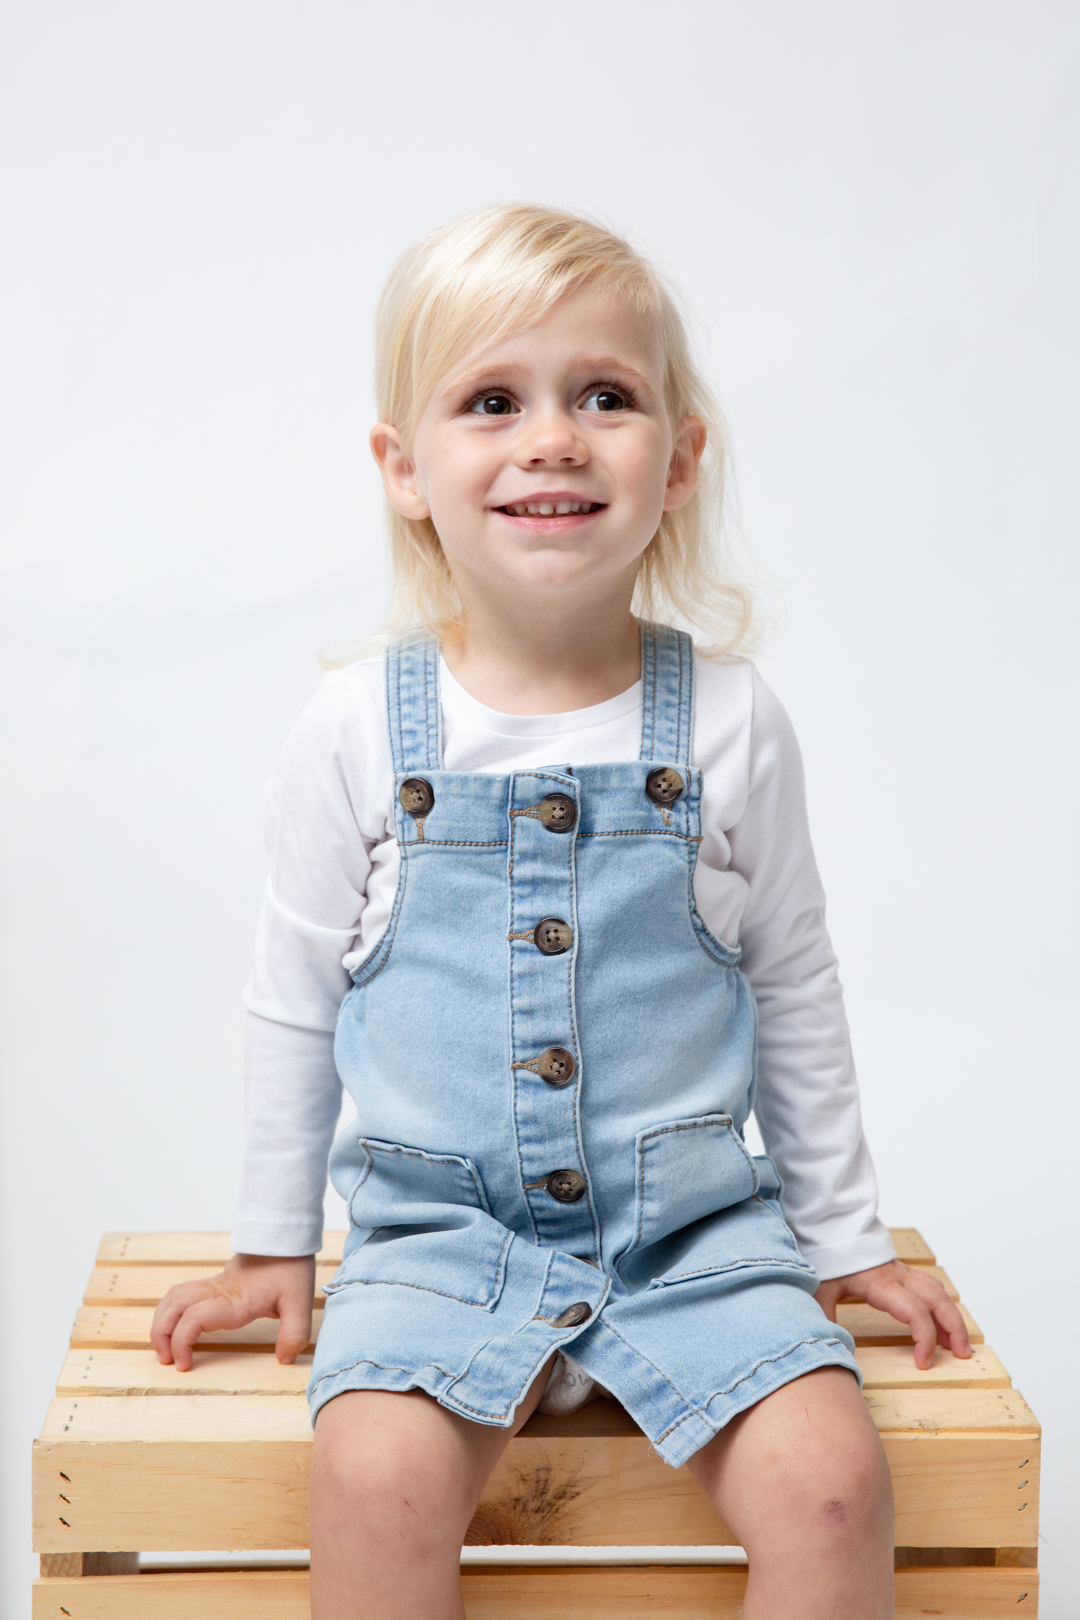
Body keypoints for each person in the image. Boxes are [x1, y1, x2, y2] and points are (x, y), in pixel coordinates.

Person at [150, 203, 970, 1619]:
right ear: (404, 471)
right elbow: (293, 997)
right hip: (436, 1239)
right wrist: (273, 1243)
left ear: (681, 457)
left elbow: (794, 978)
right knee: (370, 1482)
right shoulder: (355, 731)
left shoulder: (729, 720)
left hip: (698, 1237)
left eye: (607, 396)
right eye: (491, 401)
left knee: (835, 1485)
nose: (552, 438)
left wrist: (846, 1242)